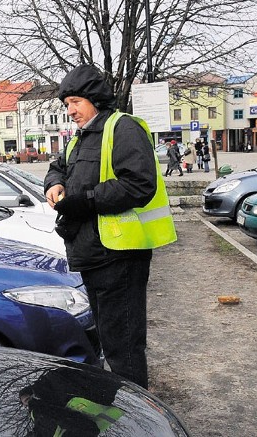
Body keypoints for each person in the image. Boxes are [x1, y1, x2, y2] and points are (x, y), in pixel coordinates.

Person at [44, 64, 176, 389]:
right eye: (66, 105)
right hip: (92, 256)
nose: (70, 110)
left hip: (119, 257)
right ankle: (122, 412)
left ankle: (139, 420)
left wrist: (84, 200)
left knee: (124, 349)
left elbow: (139, 185)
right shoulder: (81, 138)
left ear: (94, 99)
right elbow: (57, 166)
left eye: (75, 101)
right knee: (108, 341)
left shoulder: (123, 128)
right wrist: (54, 184)